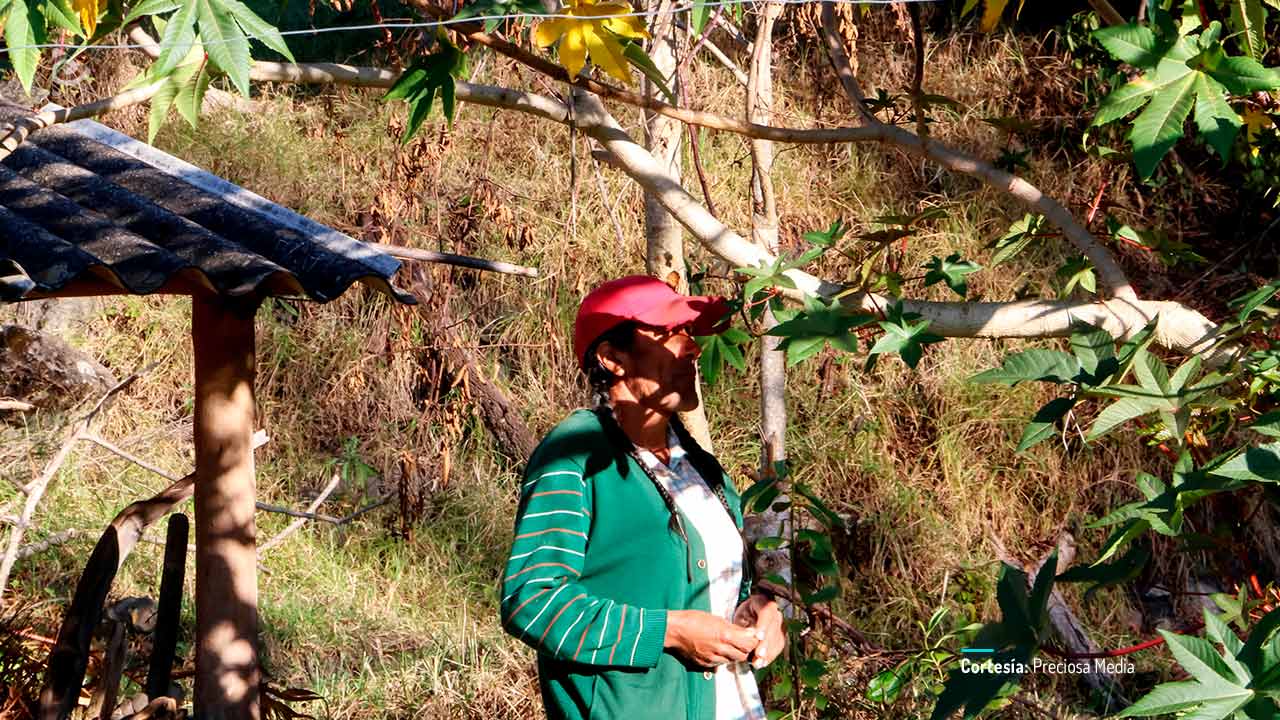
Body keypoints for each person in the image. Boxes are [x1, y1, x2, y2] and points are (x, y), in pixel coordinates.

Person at [500, 275, 785, 720]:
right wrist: (669, 631)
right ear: (612, 357)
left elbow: (715, 590)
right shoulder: (576, 455)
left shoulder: (703, 471)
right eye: (670, 333)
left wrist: (758, 608)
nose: (691, 348)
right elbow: (532, 600)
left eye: (690, 334)